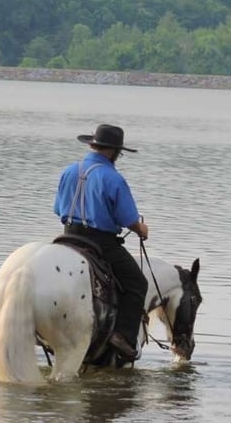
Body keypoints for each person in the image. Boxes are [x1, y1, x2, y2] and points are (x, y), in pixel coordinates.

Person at [53, 123, 149, 360]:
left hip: (67, 237)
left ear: (92, 145)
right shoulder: (113, 178)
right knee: (137, 284)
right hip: (99, 242)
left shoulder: (68, 171)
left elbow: (58, 209)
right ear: (113, 151)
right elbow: (127, 218)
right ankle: (124, 336)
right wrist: (141, 229)